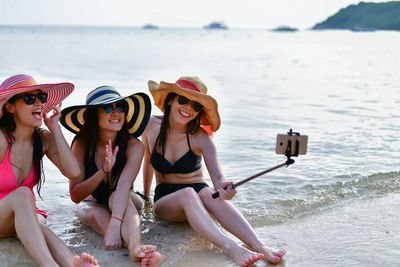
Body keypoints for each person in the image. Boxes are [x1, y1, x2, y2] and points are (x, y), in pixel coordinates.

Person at [142, 76, 286, 266]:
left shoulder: (201, 138)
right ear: (170, 99)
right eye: (183, 100)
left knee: (209, 193)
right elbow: (147, 163)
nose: (188, 108)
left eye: (196, 106)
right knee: (188, 194)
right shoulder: (150, 127)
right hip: (167, 202)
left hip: (201, 200)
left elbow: (218, 179)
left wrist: (226, 189)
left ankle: (260, 246)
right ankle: (230, 247)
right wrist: (146, 201)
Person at [0, 74, 99, 267]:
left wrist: (55, 128)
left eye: (41, 98)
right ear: (10, 107)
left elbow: (73, 172)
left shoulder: (42, 139)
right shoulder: (2, 139)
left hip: (23, 216)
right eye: (30, 99)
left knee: (37, 223)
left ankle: (73, 264)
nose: (38, 103)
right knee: (23, 194)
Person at [60, 86, 161, 267]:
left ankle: (136, 247)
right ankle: (139, 254)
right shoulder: (82, 144)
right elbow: (75, 196)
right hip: (93, 203)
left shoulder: (134, 146)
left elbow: (123, 186)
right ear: (93, 115)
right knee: (94, 214)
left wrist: (115, 223)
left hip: (125, 199)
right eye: (108, 108)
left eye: (120, 107)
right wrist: (103, 171)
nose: (116, 113)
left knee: (116, 197)